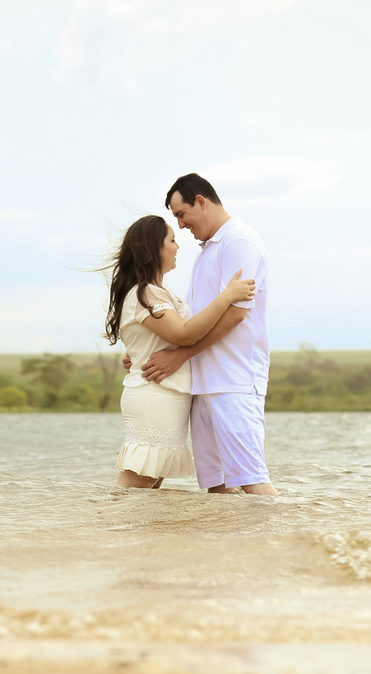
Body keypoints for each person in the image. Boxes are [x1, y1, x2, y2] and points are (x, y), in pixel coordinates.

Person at [138, 173, 278, 495]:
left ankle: (285, 543)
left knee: (252, 480)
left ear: (200, 201)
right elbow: (191, 320)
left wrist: (180, 356)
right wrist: (146, 355)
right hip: (203, 384)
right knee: (217, 488)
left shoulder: (239, 241)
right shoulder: (207, 252)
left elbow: (235, 315)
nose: (182, 225)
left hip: (235, 381)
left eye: (181, 214)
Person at [104, 214, 255, 488]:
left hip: (165, 395)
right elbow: (184, 334)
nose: (177, 246)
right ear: (154, 249)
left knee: (148, 486)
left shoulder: (157, 293)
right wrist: (227, 296)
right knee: (136, 485)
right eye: (171, 240)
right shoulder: (146, 293)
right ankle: (103, 530)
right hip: (155, 396)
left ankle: (131, 532)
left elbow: (159, 339)